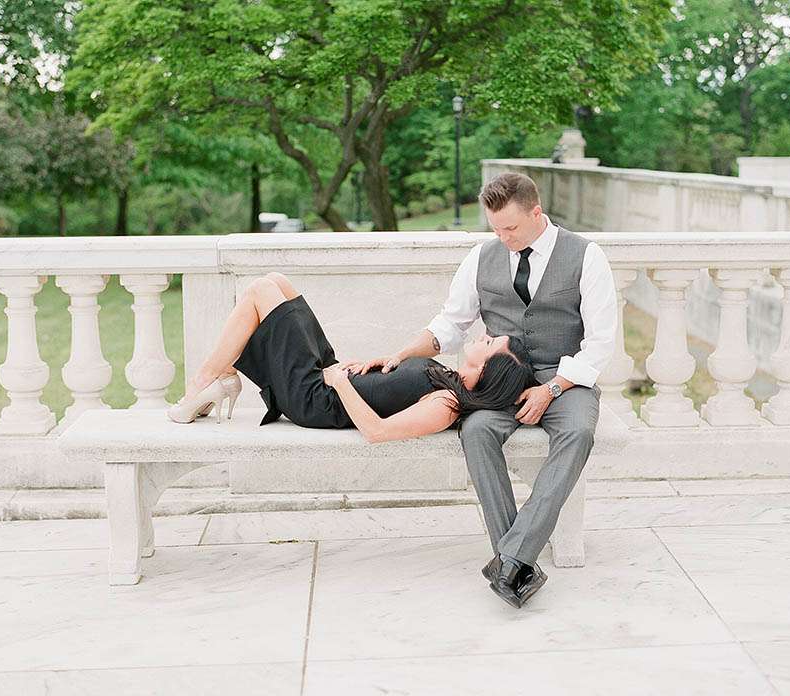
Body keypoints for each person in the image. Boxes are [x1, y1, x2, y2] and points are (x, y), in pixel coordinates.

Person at [356, 172, 617, 608]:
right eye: (495, 228)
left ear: (537, 213)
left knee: (577, 433)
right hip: (500, 383)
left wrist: (552, 388)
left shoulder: (587, 256)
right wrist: (400, 354)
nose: (503, 237)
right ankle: (516, 560)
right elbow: (450, 325)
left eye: (511, 228)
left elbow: (601, 342)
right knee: (475, 431)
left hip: (566, 377)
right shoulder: (483, 256)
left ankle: (511, 558)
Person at [167, 272, 536, 445]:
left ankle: (204, 384)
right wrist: (377, 365)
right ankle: (221, 378)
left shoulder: (448, 404)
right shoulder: (448, 379)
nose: (484, 336)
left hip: (316, 399)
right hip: (331, 378)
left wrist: (342, 383)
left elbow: (378, 432)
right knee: (278, 282)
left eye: (490, 343)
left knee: (261, 291)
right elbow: (397, 386)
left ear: (487, 369)